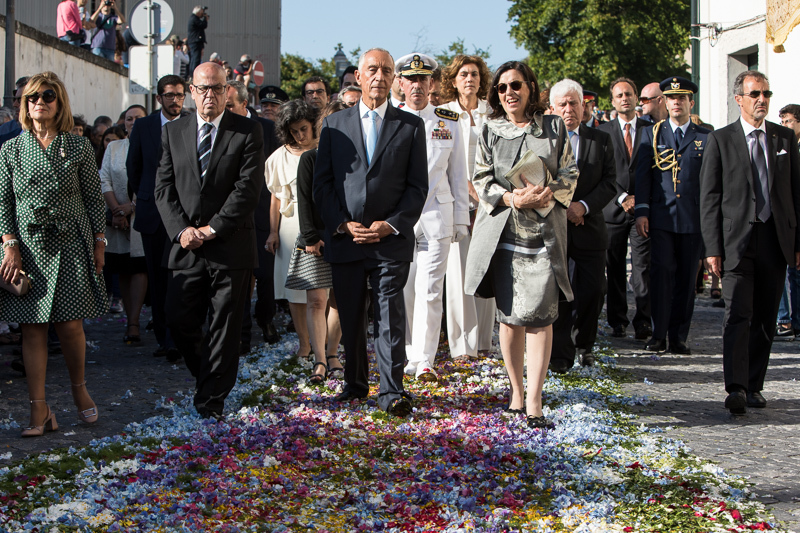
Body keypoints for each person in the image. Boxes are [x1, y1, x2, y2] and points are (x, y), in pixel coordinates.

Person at [313, 48, 428, 416]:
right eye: (372, 70)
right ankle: (355, 384)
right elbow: (323, 185)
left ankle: (392, 391)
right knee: (350, 316)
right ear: (358, 77)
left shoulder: (411, 126)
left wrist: (390, 224)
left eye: (387, 70)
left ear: (395, 79)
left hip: (390, 241)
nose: (379, 76)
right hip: (347, 240)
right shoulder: (334, 125)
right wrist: (343, 224)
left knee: (388, 315)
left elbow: (417, 188)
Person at [465, 61, 578, 429]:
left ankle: (535, 400)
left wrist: (547, 192)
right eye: (501, 88)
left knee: (541, 318)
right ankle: (515, 392)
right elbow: (481, 179)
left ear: (530, 86)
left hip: (545, 235)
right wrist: (512, 199)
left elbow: (570, 173)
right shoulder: (489, 129)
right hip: (504, 235)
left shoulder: (554, 127)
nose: (509, 93)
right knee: (510, 318)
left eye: (515, 85)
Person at [0, 71, 107, 437]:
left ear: (59, 102)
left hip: (71, 243)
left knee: (70, 325)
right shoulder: (10, 149)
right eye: (32, 97)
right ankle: (39, 410)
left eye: (47, 96)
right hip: (28, 248)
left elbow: (94, 199)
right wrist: (9, 245)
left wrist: (99, 242)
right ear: (24, 105)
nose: (39, 103)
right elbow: (3, 203)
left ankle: (79, 391)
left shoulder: (78, 147)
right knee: (32, 329)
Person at [155, 62, 264, 420]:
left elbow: (247, 190)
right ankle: (209, 378)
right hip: (186, 246)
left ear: (227, 90)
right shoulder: (174, 131)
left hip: (230, 245)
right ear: (191, 90)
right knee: (179, 320)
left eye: (217, 88)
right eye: (203, 88)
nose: (209, 95)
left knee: (225, 328)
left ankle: (211, 399)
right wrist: (182, 230)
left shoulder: (248, 131)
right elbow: (163, 188)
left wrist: (211, 229)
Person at [700, 70, 800, 415]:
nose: (762, 100)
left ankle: (755, 384)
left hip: (775, 239)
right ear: (739, 98)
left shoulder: (784, 139)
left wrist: (797, 241)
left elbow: (796, 194)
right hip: (736, 241)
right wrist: (712, 248)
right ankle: (737, 387)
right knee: (737, 314)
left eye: (766, 94)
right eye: (755, 94)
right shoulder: (721, 139)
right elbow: (710, 197)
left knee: (765, 316)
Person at [394, 53, 469, 382]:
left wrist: (461, 219)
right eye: (411, 80)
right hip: (398, 219)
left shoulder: (448, 120)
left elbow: (458, 173)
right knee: (405, 289)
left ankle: (425, 359)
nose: (417, 86)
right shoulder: (390, 120)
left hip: (437, 214)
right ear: (401, 83)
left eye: (423, 80)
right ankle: (408, 352)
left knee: (430, 290)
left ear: (433, 84)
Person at [635, 77, 710, 355]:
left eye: (682, 98)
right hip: (662, 217)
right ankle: (658, 334)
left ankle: (679, 336)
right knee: (661, 274)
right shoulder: (653, 134)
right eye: (671, 98)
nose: (677, 102)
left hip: (692, 219)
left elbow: (709, 183)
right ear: (664, 102)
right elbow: (643, 177)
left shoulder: (705, 136)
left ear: (691, 102)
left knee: (686, 279)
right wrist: (642, 211)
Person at [548, 79, 616, 372]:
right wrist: (562, 207)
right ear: (553, 108)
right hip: (556, 228)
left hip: (590, 227)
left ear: (583, 105)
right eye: (562, 104)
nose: (568, 109)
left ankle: (585, 345)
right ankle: (560, 355)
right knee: (559, 293)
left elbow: (611, 182)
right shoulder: (544, 141)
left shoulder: (600, 140)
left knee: (591, 291)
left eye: (573, 103)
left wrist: (583, 206)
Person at [439, 54, 497, 360]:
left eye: (474, 74)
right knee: (459, 272)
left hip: (491, 200)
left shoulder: (493, 111)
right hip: (456, 199)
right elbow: (442, 159)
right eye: (463, 74)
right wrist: (468, 190)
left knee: (487, 269)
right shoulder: (444, 114)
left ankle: (484, 340)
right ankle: (462, 345)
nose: (469, 79)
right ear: (453, 80)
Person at [127, 75, 186, 361]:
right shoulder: (144, 125)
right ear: (159, 98)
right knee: (158, 278)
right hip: (152, 214)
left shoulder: (193, 122)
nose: (175, 100)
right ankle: (165, 338)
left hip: (187, 214)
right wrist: (145, 198)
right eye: (169, 95)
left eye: (179, 94)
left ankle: (183, 335)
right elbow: (133, 168)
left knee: (183, 277)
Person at [223, 81, 282, 349]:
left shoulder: (268, 129)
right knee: (239, 279)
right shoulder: (219, 130)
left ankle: (266, 318)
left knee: (266, 277)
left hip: (263, 213)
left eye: (229, 106)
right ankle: (242, 335)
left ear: (244, 104)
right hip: (230, 217)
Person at [293, 100, 347, 382]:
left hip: (344, 237)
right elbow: (303, 200)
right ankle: (319, 360)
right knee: (316, 300)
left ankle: (334, 353)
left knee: (339, 299)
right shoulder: (310, 159)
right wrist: (311, 237)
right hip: (314, 238)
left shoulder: (355, 161)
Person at [599, 78, 653, 340]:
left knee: (642, 267)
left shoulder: (651, 129)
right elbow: (602, 172)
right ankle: (617, 320)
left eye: (629, 94)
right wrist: (622, 198)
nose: (624, 98)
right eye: (619, 95)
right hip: (614, 208)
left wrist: (640, 201)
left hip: (642, 210)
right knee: (615, 266)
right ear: (613, 100)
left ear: (636, 98)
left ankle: (643, 320)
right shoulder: (604, 131)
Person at [265, 100, 318, 359]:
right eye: (294, 130)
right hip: (289, 225)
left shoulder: (327, 149)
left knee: (324, 289)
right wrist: (273, 232)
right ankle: (305, 345)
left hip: (321, 221)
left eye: (304, 128)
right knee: (295, 290)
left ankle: (327, 345)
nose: (300, 135)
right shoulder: (278, 157)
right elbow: (275, 197)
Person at [100, 105, 147, 345]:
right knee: (124, 270)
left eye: (138, 118)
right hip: (116, 216)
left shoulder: (152, 146)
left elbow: (152, 179)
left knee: (139, 268)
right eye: (129, 118)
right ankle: (130, 318)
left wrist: (132, 207)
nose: (133, 122)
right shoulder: (115, 147)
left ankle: (134, 322)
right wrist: (116, 210)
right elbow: (104, 178)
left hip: (140, 216)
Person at [776, 103, 800, 338]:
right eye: (782, 122)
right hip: (787, 217)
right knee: (783, 270)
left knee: (796, 272)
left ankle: (797, 321)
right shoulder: (780, 145)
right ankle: (783, 319)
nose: (785, 126)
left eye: (789, 121)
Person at [187, 6, 209, 77]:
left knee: (194, 58)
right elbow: (203, 25)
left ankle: (192, 74)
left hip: (194, 41)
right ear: (198, 12)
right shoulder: (194, 19)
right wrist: (205, 19)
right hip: (196, 41)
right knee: (196, 58)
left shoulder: (192, 18)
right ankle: (193, 74)